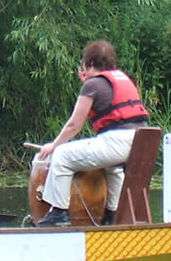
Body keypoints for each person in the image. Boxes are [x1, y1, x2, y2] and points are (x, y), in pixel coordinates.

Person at [36, 39, 150, 227]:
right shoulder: (124, 79)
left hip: (117, 143)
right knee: (112, 167)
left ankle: (59, 213)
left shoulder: (92, 85)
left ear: (89, 64)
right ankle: (111, 215)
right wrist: (89, 81)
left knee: (61, 155)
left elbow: (74, 125)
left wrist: (54, 145)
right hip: (139, 145)